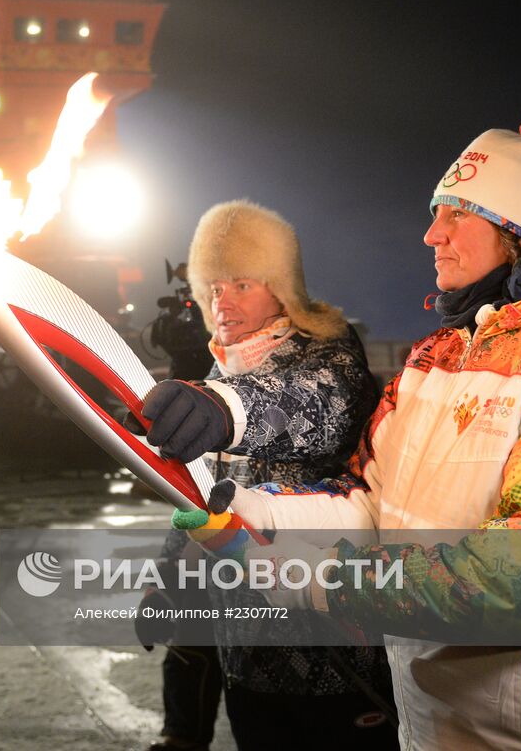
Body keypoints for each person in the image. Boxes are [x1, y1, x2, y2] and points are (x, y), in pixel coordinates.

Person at [149, 112, 521, 749]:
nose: (431, 234)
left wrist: (313, 579)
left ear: (520, 234)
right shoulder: (437, 357)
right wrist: (251, 514)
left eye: (456, 214)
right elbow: (375, 507)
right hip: (433, 727)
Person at [138, 201, 394, 750]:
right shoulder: (218, 374)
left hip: (332, 656)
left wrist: (225, 410)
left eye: (242, 284)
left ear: (282, 290)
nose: (221, 300)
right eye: (213, 287)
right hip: (247, 657)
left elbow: (307, 408)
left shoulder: (330, 359)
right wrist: (167, 582)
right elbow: (195, 498)